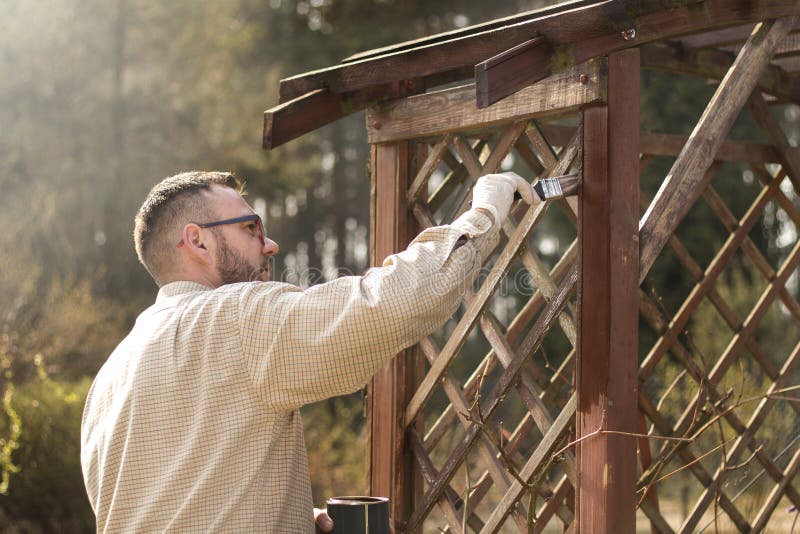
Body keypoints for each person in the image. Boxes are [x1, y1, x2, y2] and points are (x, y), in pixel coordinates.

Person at [80, 170, 529, 533]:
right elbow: (392, 302)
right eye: (250, 228)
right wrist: (485, 211)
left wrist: (291, 519)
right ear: (197, 241)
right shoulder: (236, 318)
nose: (270, 244)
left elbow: (173, 501)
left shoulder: (112, 373)